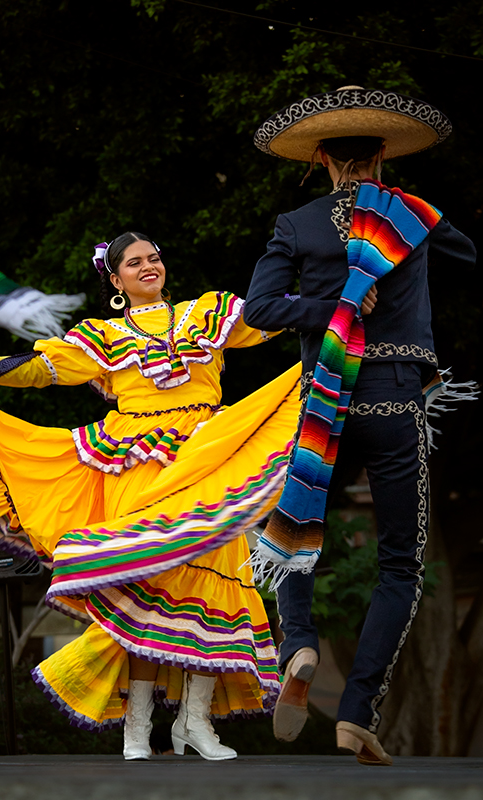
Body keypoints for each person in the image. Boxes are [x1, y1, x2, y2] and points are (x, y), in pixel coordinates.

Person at [0, 231, 304, 760]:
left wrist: (337, 301)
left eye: (155, 257)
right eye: (135, 262)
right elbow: (42, 368)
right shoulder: (102, 336)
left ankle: (194, 723)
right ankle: (137, 729)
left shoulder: (209, 313)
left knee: (214, 584)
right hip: (134, 462)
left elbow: (270, 321)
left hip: (209, 459)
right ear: (115, 280)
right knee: (146, 585)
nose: (149, 266)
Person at [244, 86, 476, 765]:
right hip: (396, 402)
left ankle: (300, 644)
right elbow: (470, 259)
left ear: (318, 157)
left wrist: (327, 301)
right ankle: (356, 714)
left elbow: (260, 307)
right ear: (382, 154)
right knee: (400, 563)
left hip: (327, 404)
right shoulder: (416, 217)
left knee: (293, 526)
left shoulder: (297, 224)